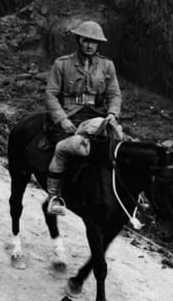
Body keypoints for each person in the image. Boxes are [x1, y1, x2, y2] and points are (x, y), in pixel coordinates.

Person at [44, 20, 123, 216]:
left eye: (94, 42)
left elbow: (114, 95)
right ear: (79, 40)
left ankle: (120, 199)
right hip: (69, 114)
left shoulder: (107, 65)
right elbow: (50, 94)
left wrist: (112, 113)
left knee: (119, 145)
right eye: (86, 40)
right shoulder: (62, 64)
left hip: (96, 115)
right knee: (63, 149)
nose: (89, 45)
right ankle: (54, 197)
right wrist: (61, 118)